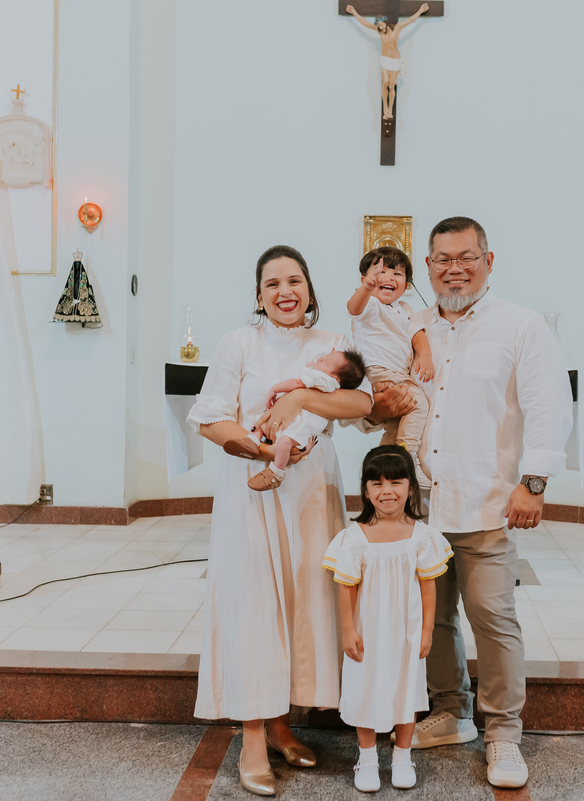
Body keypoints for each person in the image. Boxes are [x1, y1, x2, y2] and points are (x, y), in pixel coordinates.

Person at [371, 217, 573, 789]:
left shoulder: (520, 326)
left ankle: (504, 734)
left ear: (489, 259)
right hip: (419, 505)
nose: (454, 267)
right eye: (442, 259)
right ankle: (450, 711)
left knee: (492, 617)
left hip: (486, 500)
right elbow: (387, 397)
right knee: (432, 616)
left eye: (466, 256)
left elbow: (548, 406)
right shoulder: (411, 326)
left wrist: (532, 482)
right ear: (427, 265)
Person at [188, 245, 374, 797]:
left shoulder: (333, 344)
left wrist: (300, 407)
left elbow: (362, 406)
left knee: (302, 605)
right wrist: (255, 450)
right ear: (259, 295)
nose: (284, 292)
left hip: (312, 493)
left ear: (310, 289)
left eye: (294, 281)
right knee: (254, 608)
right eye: (271, 284)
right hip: (252, 492)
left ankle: (279, 723)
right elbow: (209, 417)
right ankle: (250, 736)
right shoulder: (237, 343)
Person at [324, 445, 452, 793]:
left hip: (406, 633)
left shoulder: (422, 538)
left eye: (396, 482)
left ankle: (401, 755)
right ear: (365, 489)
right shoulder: (354, 539)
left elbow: (428, 587)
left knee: (406, 689)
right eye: (377, 483)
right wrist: (347, 630)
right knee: (364, 688)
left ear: (411, 487)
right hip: (368, 631)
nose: (387, 491)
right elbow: (346, 588)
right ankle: (366, 757)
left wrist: (426, 629)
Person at [347, 247, 434, 484]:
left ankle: (387, 467)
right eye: (380, 272)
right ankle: (408, 457)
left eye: (397, 274)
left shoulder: (406, 310)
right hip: (378, 372)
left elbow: (418, 335)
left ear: (406, 286)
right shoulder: (369, 305)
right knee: (417, 403)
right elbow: (353, 308)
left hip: (398, 374)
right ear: (365, 279)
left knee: (396, 423)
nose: (387, 278)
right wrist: (366, 288)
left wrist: (424, 355)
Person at [227, 348, 367, 491]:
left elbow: (297, 383)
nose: (321, 359)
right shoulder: (327, 381)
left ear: (336, 378)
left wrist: (275, 388)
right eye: (324, 357)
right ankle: (251, 442)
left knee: (282, 440)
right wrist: (323, 360)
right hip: (294, 419)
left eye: (326, 361)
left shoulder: (323, 380)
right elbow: (312, 367)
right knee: (266, 422)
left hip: (301, 423)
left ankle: (276, 472)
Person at [346, 3, 430, 119]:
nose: (380, 28)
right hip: (384, 60)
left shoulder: (397, 28)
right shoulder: (379, 31)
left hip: (395, 60)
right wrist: (354, 12)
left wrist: (420, 10)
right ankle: (385, 108)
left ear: (384, 22)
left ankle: (390, 109)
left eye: (381, 25)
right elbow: (364, 23)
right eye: (378, 26)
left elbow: (410, 20)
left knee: (391, 85)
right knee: (385, 83)